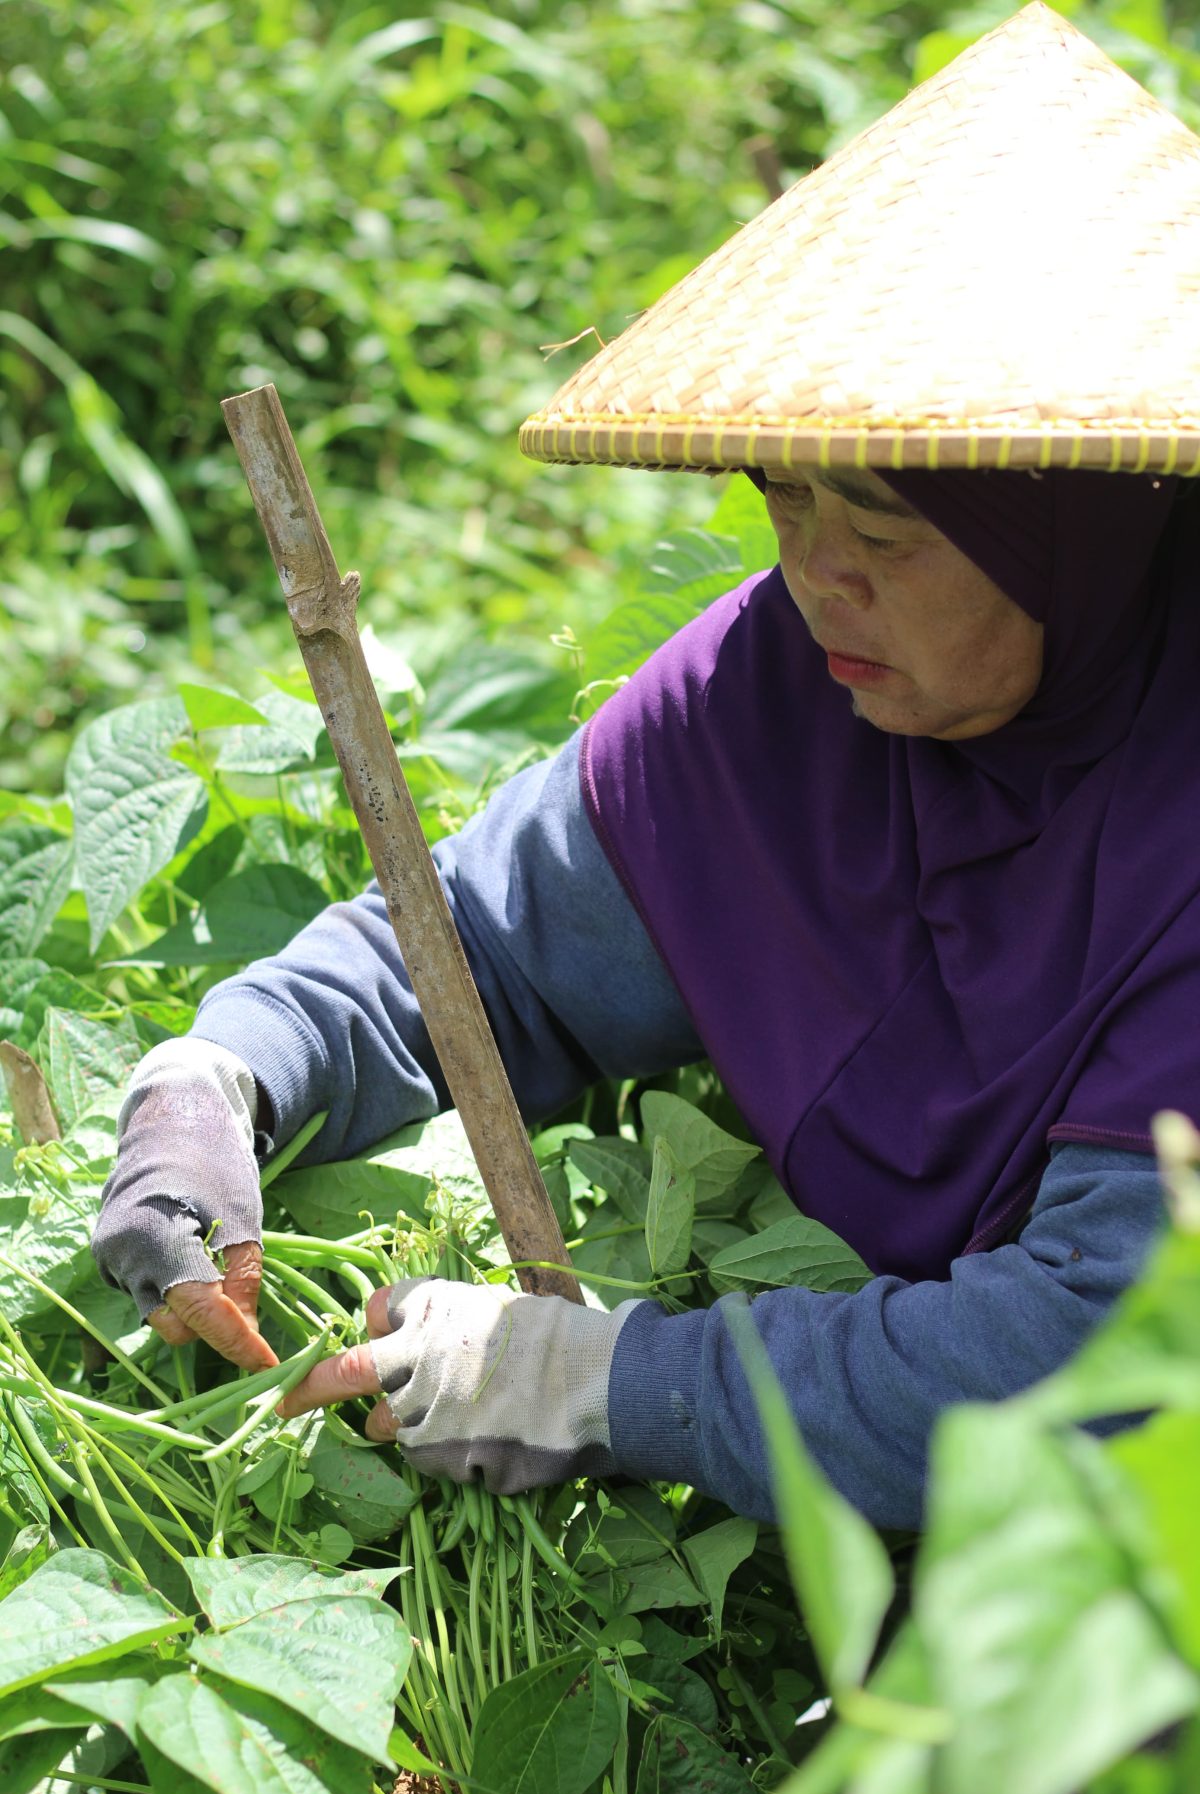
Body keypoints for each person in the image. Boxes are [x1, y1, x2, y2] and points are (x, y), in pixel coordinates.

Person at [91, 5, 1200, 1527]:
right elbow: (479, 951)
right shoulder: (784, 696)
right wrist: (225, 1074)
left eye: (882, 532)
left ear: (1079, 533)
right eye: (785, 501)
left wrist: (605, 1383)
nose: (816, 577)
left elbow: (1103, 1373)